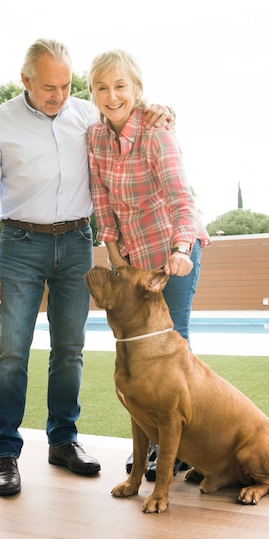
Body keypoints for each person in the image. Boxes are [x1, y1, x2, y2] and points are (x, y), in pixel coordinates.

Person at [0, 38, 173, 496]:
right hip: (20, 243)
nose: (58, 95)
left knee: (70, 349)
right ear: (25, 81)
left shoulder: (86, 114)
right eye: (47, 87)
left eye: (64, 85)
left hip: (78, 242)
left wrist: (159, 109)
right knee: (13, 348)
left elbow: (128, 116)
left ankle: (63, 440)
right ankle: (5, 451)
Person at [86, 48, 211, 480]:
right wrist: (114, 253)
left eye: (120, 86)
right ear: (93, 93)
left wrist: (179, 249)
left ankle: (182, 446)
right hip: (134, 260)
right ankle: (157, 442)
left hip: (173, 251)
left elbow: (181, 197)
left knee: (173, 349)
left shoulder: (157, 131)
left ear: (136, 89)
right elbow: (102, 202)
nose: (112, 94)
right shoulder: (94, 138)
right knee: (139, 354)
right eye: (102, 87)